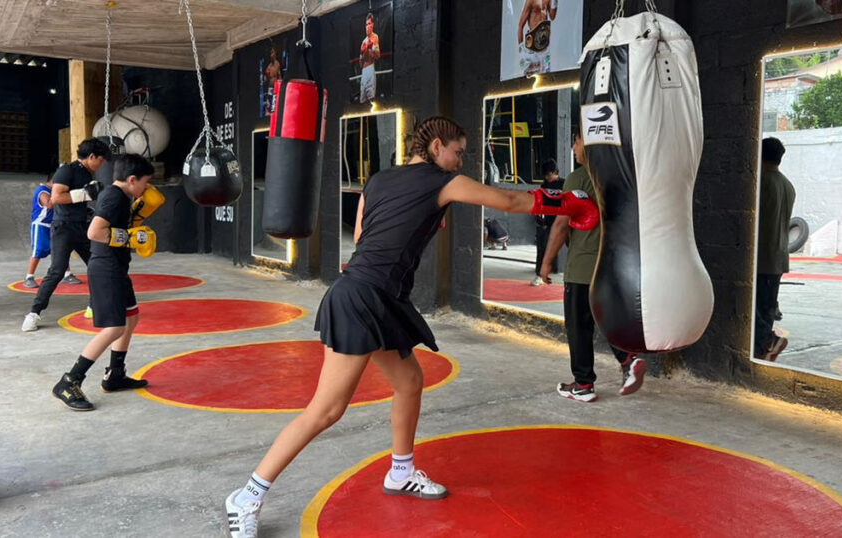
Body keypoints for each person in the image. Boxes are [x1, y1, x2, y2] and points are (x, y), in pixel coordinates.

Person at [224, 117, 598, 537]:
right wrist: (569, 201)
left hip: (378, 296)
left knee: (409, 382)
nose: (461, 160)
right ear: (437, 146)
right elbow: (509, 203)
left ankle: (400, 472)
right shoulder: (446, 182)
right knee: (326, 410)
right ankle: (248, 495)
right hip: (363, 299)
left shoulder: (379, 181)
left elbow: (365, 235)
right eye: (458, 151)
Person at [540, 131, 645, 401]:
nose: (574, 148)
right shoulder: (618, 177)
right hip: (613, 264)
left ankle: (583, 384)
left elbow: (561, 224)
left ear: (586, 143)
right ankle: (628, 358)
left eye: (575, 141)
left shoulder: (578, 178)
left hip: (582, 264)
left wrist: (547, 262)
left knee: (578, 326)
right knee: (605, 316)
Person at [51, 154, 157, 411]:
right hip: (106, 269)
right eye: (145, 182)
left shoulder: (122, 197)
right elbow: (94, 232)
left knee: (131, 319)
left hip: (117, 267)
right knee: (114, 328)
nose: (147, 188)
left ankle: (115, 374)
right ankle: (69, 380)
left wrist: (134, 222)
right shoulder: (113, 197)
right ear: (132, 180)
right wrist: (130, 237)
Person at [22, 139, 110, 332]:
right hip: (63, 227)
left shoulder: (87, 173)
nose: (102, 165)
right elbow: (56, 198)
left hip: (81, 227)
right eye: (101, 160)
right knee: (57, 271)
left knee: (99, 264)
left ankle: (94, 306)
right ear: (92, 157)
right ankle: (34, 313)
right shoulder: (66, 171)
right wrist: (83, 195)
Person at [755, 137, 795, 361]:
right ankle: (764, 348)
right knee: (766, 306)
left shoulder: (761, 183)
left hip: (761, 256)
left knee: (758, 309)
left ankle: (767, 343)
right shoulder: (787, 184)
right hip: (778, 256)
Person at [24, 173, 83, 289]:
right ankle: (29, 277)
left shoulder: (54, 191)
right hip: (40, 225)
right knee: (38, 251)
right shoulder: (42, 190)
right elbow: (49, 204)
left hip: (53, 225)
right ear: (53, 182)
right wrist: (65, 197)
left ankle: (67, 274)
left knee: (61, 250)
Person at [532, 158, 563, 286]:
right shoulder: (544, 185)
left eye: (548, 174)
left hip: (563, 221)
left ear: (554, 172)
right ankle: (539, 275)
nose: (547, 177)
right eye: (545, 175)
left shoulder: (564, 184)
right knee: (543, 247)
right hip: (548, 221)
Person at [517, 0, 557, 76]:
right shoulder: (530, 1)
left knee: (546, 77)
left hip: (544, 43)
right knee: (530, 78)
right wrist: (521, 49)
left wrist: (555, 2)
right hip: (532, 44)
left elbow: (552, 16)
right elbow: (520, 25)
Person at [359, 13, 381, 103]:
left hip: (370, 69)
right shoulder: (363, 41)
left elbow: (378, 56)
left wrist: (371, 47)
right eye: (366, 24)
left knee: (371, 100)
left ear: (372, 25)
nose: (367, 27)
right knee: (362, 100)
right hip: (363, 72)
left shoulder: (375, 37)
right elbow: (360, 64)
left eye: (369, 24)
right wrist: (362, 53)